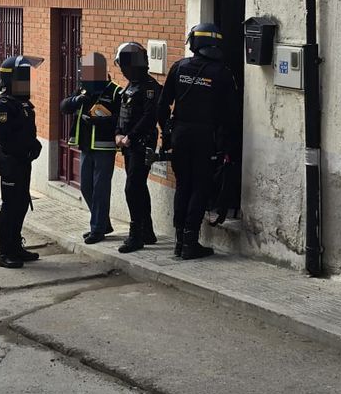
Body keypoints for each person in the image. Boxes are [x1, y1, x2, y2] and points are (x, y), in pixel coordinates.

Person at [160, 23, 240, 260]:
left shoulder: (179, 67)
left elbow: (162, 104)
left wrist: (166, 131)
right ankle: (190, 241)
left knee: (183, 185)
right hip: (206, 137)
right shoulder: (223, 73)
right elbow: (232, 115)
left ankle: (178, 241)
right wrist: (227, 146)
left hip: (181, 135)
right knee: (200, 186)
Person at [60, 52, 122, 244]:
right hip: (85, 146)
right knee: (86, 187)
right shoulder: (83, 90)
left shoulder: (115, 92)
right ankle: (103, 224)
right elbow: (63, 107)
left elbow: (121, 120)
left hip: (104, 148)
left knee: (100, 189)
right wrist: (76, 100)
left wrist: (101, 121)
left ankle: (97, 230)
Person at [0, 54, 44, 269]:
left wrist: (35, 145)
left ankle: (16, 246)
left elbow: (26, 133)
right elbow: (7, 139)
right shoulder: (3, 106)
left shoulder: (22, 104)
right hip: (11, 161)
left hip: (22, 161)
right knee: (10, 206)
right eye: (23, 77)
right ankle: (5, 252)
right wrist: (26, 149)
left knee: (22, 203)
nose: (27, 82)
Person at [113, 42, 162, 253]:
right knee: (139, 187)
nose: (122, 71)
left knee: (132, 188)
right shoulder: (131, 85)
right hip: (128, 144)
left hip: (141, 144)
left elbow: (149, 118)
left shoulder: (150, 88)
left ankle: (136, 235)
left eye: (123, 66)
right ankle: (147, 230)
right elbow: (123, 112)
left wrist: (130, 137)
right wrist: (117, 133)